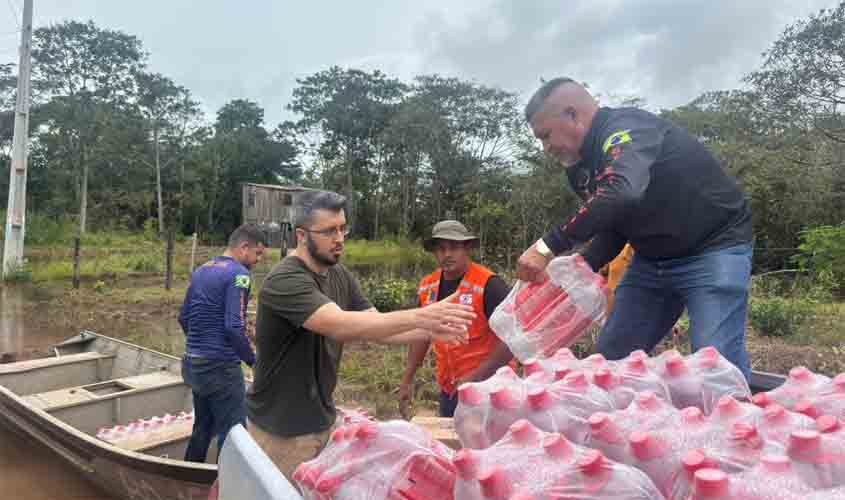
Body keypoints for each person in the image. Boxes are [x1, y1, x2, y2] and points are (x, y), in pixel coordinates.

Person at [516, 77, 753, 379]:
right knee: (611, 363)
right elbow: (618, 219)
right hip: (651, 261)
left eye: (546, 136)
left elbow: (621, 192)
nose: (546, 148)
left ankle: (736, 409)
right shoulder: (579, 168)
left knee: (716, 367)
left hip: (713, 247)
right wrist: (584, 264)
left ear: (572, 114)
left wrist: (546, 246)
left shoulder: (625, 130)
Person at [245, 190, 476, 482]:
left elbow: (375, 325)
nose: (339, 238)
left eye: (343, 228)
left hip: (320, 418)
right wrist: (421, 316)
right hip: (282, 431)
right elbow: (339, 324)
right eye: (329, 231)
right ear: (301, 236)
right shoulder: (285, 280)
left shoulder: (338, 274)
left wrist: (430, 330)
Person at [399, 220, 514, 419]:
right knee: (451, 435)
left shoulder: (489, 285)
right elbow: (421, 335)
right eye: (441, 249)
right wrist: (407, 379)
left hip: (491, 388)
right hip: (451, 388)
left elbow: (512, 337)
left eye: (454, 247)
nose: (447, 254)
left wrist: (476, 377)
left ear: (466, 248)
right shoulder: (428, 286)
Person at [178, 224, 266, 462]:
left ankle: (190, 472)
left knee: (203, 427)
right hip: (221, 368)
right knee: (234, 435)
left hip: (193, 364)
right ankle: (227, 482)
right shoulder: (239, 275)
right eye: (257, 253)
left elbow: (183, 317)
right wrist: (253, 361)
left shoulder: (201, 270)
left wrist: (199, 346)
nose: (258, 260)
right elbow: (234, 326)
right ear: (244, 247)